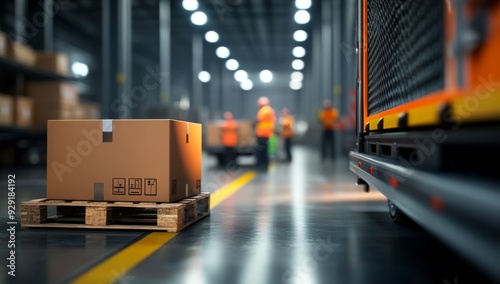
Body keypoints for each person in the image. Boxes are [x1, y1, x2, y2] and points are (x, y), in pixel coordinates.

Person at [255, 96, 276, 172]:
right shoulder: (270, 110)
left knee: (262, 151)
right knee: (264, 150)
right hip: (266, 134)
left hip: (262, 134)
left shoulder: (264, 110)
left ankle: (262, 166)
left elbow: (259, 120)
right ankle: (264, 166)